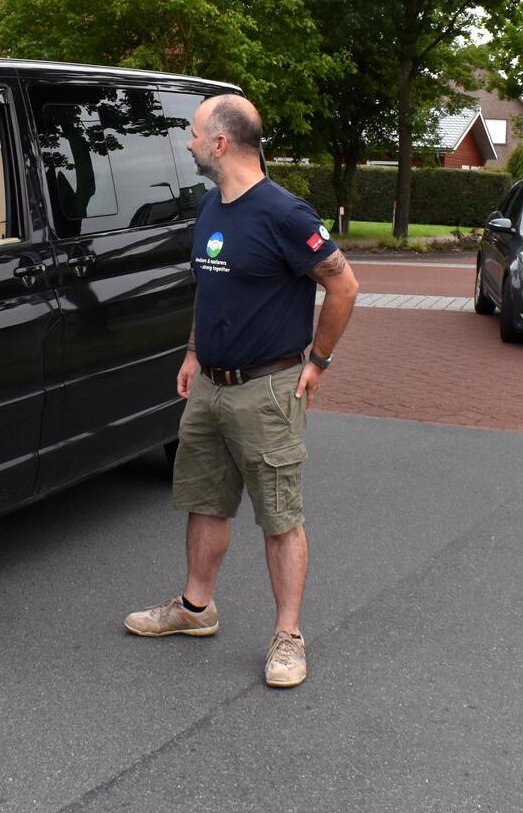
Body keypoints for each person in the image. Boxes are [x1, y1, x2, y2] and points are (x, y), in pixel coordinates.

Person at [123, 93, 360, 688]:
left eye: (196, 133)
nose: (189, 143)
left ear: (221, 144)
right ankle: (195, 609)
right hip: (210, 386)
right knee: (206, 499)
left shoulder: (285, 213)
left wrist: (319, 362)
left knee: (280, 516)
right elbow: (209, 289)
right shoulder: (211, 207)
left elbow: (344, 285)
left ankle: (288, 636)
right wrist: (194, 351)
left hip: (268, 391)